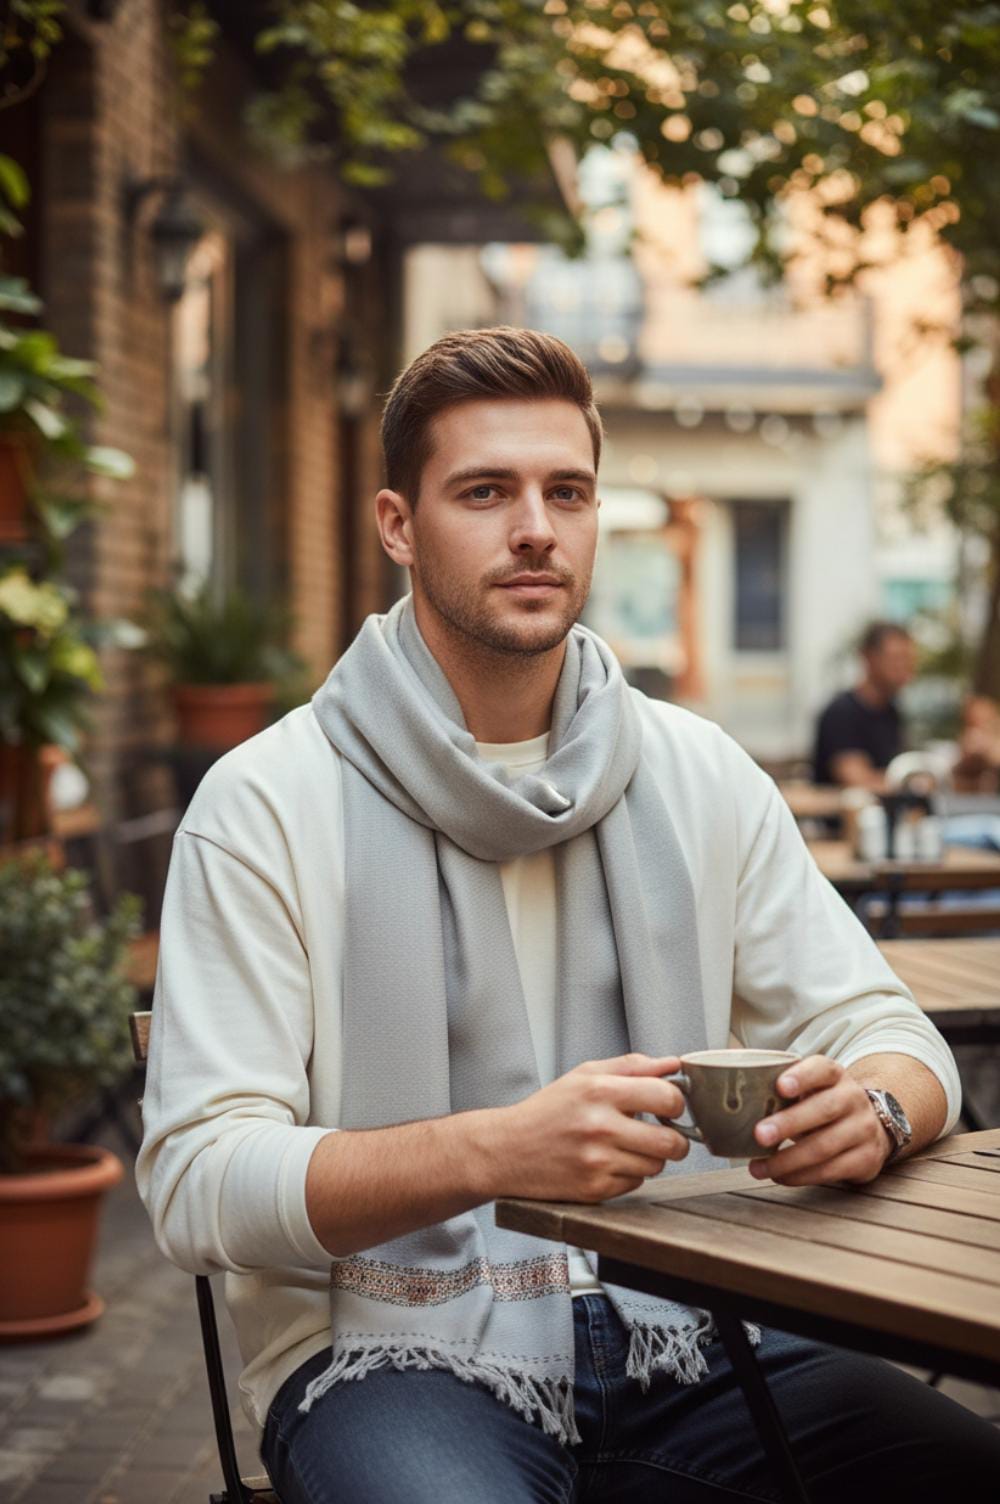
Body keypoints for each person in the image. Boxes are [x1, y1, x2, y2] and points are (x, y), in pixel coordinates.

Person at [137, 328, 999, 1503]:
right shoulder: (267, 801)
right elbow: (195, 1182)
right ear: (397, 524)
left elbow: (893, 1033)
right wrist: (499, 1151)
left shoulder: (697, 771)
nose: (535, 526)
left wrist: (882, 1110)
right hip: (384, 1354)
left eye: (568, 491)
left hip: (699, 1328)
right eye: (484, 491)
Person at [812, 621, 915, 789]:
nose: (904, 668)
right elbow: (857, 781)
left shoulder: (891, 712)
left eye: (908, 659)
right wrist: (909, 783)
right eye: (896, 659)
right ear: (868, 658)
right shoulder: (842, 712)